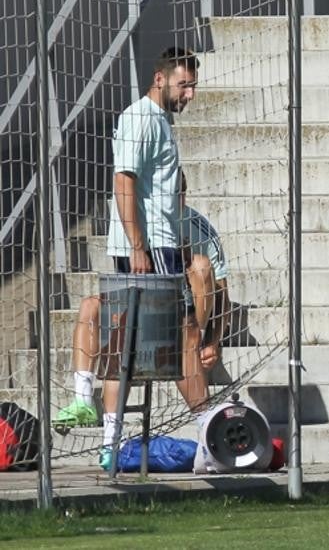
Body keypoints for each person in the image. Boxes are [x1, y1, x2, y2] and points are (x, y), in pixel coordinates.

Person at [57, 204, 231, 470]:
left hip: (183, 319)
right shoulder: (132, 221)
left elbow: (223, 294)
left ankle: (207, 428)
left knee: (200, 265)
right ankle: (90, 413)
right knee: (91, 307)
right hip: (142, 312)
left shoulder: (197, 226)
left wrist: (213, 341)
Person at [95, 46, 198, 465]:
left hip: (159, 244)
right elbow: (124, 181)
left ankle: (109, 443)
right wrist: (139, 248)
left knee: (130, 346)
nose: (189, 94)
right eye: (183, 84)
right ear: (160, 79)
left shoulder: (160, 120)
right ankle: (209, 425)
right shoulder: (140, 118)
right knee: (181, 336)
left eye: (193, 86)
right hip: (149, 250)